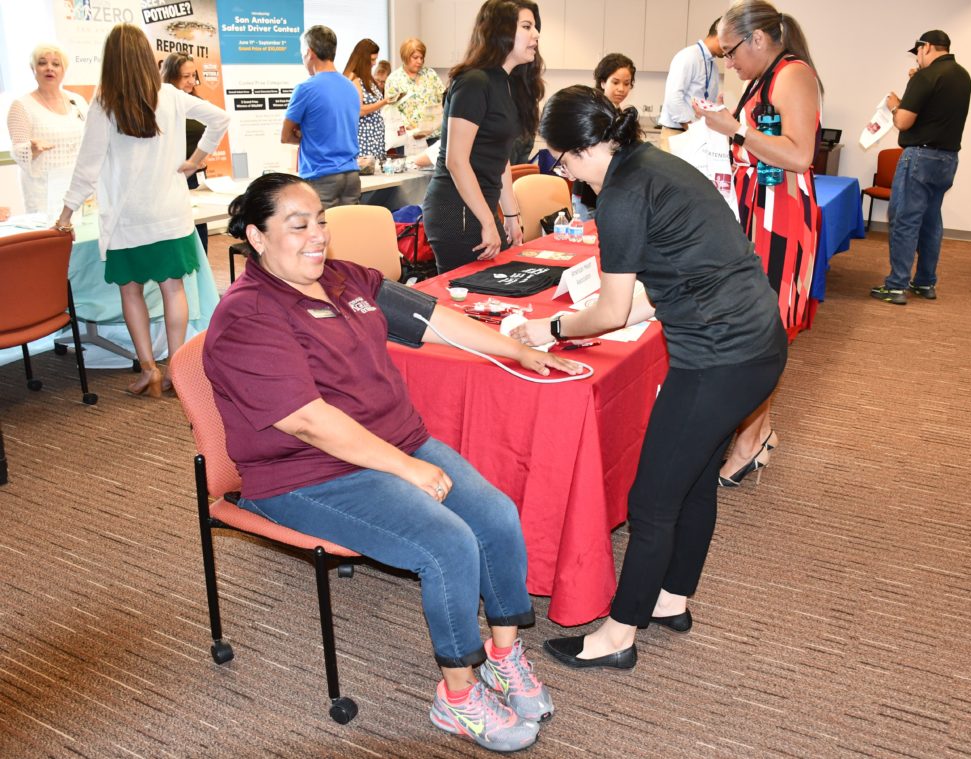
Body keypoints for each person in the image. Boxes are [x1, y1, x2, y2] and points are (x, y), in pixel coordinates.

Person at [205, 172, 583, 751]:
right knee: (448, 543)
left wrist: (521, 351)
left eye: (321, 222)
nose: (316, 236)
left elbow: (431, 319)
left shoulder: (341, 277)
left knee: (498, 516)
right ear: (256, 237)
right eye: (297, 225)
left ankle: (504, 658)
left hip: (393, 444)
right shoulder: (247, 316)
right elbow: (307, 420)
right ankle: (456, 699)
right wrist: (407, 469)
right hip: (307, 474)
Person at [509, 86, 786, 670]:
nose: (564, 174)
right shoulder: (656, 164)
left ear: (583, 148)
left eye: (560, 160)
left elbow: (611, 311)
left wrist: (554, 326)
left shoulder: (623, 194)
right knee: (694, 480)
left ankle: (619, 633)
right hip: (758, 346)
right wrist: (559, 328)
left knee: (652, 499)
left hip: (719, 358)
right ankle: (670, 599)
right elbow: (654, 294)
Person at [55, 24, 229, 398]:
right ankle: (175, 370)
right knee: (173, 290)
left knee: (130, 293)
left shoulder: (104, 104)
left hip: (126, 220)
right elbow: (221, 119)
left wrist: (66, 214)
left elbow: (87, 167)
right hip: (170, 213)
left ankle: (148, 370)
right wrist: (195, 160)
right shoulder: (170, 95)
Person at [696, 1, 822, 487]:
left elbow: (798, 154)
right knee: (754, 324)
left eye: (731, 52)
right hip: (758, 209)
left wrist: (737, 129)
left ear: (759, 40)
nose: (729, 63)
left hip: (781, 215)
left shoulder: (792, 74)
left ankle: (751, 439)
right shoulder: (764, 75)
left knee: (761, 329)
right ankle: (759, 430)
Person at [422, 0, 544, 274]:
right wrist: (489, 222)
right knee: (470, 299)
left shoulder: (507, 83)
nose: (536, 35)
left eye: (535, 27)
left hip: (481, 209)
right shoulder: (474, 82)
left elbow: (499, 158)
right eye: (527, 26)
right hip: (457, 210)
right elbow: (456, 160)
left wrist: (511, 215)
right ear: (500, 32)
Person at [870, 30, 971, 305]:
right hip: (947, 159)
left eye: (917, 51)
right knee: (929, 222)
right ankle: (925, 283)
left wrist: (895, 105)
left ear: (926, 47)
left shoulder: (927, 77)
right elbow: (936, 109)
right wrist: (917, 83)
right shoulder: (962, 76)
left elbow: (903, 122)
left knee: (904, 220)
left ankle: (896, 286)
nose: (916, 57)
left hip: (919, 158)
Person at [282, 25, 362, 209]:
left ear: (310, 53)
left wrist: (305, 135)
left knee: (322, 234)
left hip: (321, 176)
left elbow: (285, 136)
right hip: (351, 175)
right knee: (347, 231)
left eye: (302, 54)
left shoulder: (305, 89)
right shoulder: (350, 87)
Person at [6, 43, 88, 216]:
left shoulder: (78, 102)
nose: (49, 68)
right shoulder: (21, 105)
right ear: (33, 69)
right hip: (43, 195)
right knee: (52, 241)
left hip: (78, 191)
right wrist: (32, 150)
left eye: (56, 64)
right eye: (42, 63)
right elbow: (18, 151)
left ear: (64, 70)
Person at [572, 53, 635, 221]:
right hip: (588, 195)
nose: (621, 89)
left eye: (627, 83)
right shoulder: (591, 112)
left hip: (612, 192)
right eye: (615, 82)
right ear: (602, 82)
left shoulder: (621, 115)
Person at [161, 52, 209, 252]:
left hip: (195, 177)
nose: (191, 81)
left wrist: (200, 157)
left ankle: (201, 279)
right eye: (185, 76)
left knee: (200, 232)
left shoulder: (195, 101)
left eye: (193, 75)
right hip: (173, 177)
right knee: (179, 237)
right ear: (171, 76)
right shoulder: (163, 103)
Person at [657, 18, 723, 149]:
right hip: (677, 134)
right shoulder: (688, 56)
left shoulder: (713, 66)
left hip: (696, 136)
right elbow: (673, 98)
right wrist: (694, 130)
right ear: (719, 35)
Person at [385, 38, 445, 145]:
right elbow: (391, 111)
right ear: (405, 57)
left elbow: (444, 99)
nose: (420, 61)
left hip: (434, 136)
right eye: (415, 57)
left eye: (422, 58)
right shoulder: (394, 79)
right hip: (409, 139)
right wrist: (407, 126)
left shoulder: (430, 74)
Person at [344, 39, 394, 162]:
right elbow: (359, 110)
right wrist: (384, 102)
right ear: (363, 59)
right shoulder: (354, 79)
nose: (374, 63)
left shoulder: (366, 78)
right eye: (372, 60)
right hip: (364, 140)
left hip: (374, 139)